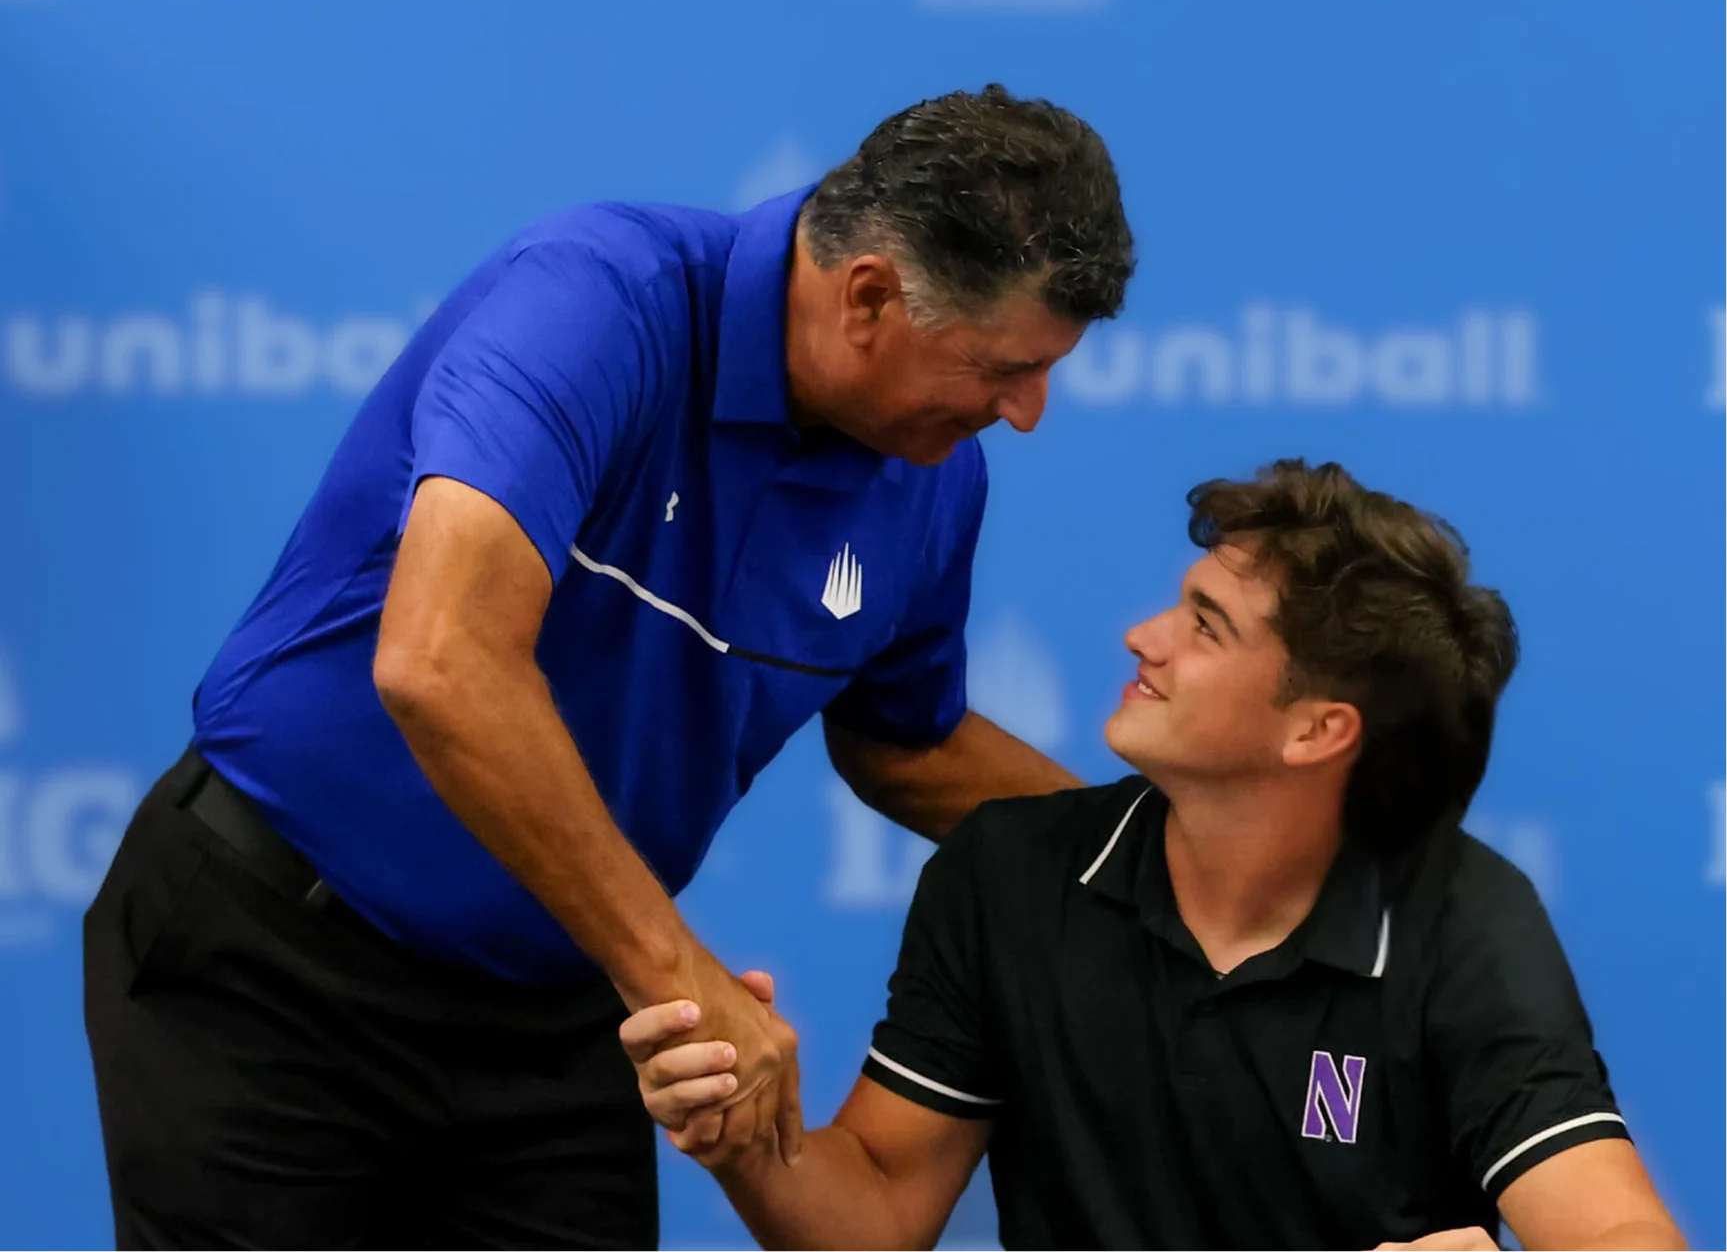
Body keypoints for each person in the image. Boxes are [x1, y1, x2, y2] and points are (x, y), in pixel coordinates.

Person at [81, 84, 1135, 1251]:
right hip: (275, 961)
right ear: (870, 296)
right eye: (1001, 366)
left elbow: (909, 742)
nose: (1027, 411)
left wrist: (1164, 852)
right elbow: (442, 659)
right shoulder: (596, 302)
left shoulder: (935, 477)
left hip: (553, 1012)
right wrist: (674, 967)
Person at [623, 460, 1688, 1252]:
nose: (1141, 634)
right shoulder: (1003, 873)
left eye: (1205, 625)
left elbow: (1618, 1229)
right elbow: (878, 1210)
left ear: (1315, 730)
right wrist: (753, 1143)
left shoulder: (1460, 919)